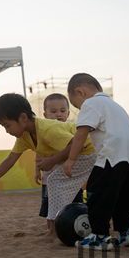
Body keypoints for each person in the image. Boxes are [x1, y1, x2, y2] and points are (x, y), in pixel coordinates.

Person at [0, 93, 95, 236]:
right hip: (81, 155)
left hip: (89, 152)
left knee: (55, 182)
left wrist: (52, 161)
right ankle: (53, 227)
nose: (7, 131)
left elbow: (77, 144)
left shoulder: (48, 129)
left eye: (7, 125)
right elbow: (10, 160)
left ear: (23, 118)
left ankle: (55, 227)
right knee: (54, 183)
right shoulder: (24, 136)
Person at [64, 73, 129, 251]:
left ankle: (99, 236)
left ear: (80, 92)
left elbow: (81, 133)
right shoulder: (115, 105)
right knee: (125, 195)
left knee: (97, 192)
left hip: (112, 155)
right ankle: (126, 232)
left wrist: (71, 159)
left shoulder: (91, 103)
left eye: (76, 105)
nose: (80, 109)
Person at [35, 93, 83, 231]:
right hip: (49, 179)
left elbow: (77, 149)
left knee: (74, 205)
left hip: (70, 178)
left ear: (68, 113)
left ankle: (71, 228)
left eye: (62, 111)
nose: (58, 114)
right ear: (45, 114)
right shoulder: (43, 132)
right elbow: (38, 152)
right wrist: (36, 170)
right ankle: (51, 230)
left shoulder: (72, 129)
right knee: (50, 207)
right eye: (53, 111)